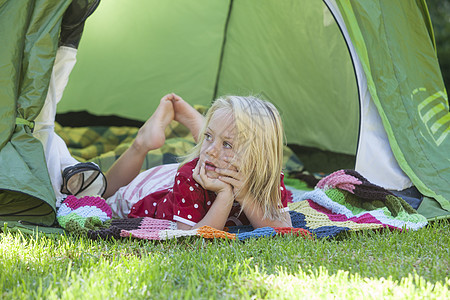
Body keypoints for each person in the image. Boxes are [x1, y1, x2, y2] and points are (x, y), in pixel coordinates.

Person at [104, 93, 293, 230]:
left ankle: (200, 124)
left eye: (227, 144)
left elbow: (284, 229)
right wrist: (225, 196)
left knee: (213, 149)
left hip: (195, 171)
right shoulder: (188, 178)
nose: (210, 150)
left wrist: (245, 195)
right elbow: (192, 238)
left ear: (259, 155)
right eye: (208, 137)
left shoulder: (269, 177)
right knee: (100, 195)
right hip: (149, 190)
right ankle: (142, 142)